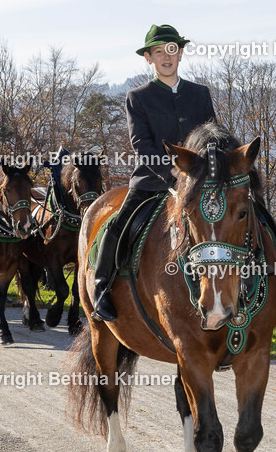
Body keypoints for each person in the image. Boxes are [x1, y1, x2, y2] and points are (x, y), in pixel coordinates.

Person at [90, 24, 217, 322]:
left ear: (181, 53)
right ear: (149, 58)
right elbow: (141, 144)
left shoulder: (200, 94)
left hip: (199, 182)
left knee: (244, 209)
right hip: (152, 181)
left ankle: (261, 277)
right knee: (119, 225)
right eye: (159, 51)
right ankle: (101, 287)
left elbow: (213, 136)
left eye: (172, 49)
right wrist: (172, 170)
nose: (166, 56)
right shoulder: (137, 97)